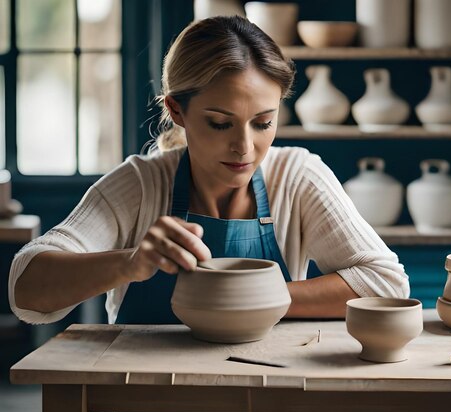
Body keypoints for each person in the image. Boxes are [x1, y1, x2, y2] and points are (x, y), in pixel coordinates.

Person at [9, 16, 409, 327]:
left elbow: (386, 284)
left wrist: (252, 297)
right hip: (148, 400)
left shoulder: (296, 175)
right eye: (220, 123)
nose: (245, 147)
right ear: (176, 110)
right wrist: (129, 263)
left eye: (263, 122)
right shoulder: (141, 183)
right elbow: (25, 289)